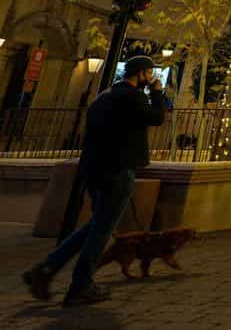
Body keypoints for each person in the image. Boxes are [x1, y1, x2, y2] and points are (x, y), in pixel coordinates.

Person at [22, 56, 166, 306]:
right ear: (142, 74)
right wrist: (157, 93)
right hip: (117, 170)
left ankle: (46, 269)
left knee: (95, 225)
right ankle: (80, 285)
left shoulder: (104, 96)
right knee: (102, 231)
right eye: (149, 73)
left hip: (94, 168)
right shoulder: (132, 97)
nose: (151, 77)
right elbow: (157, 117)